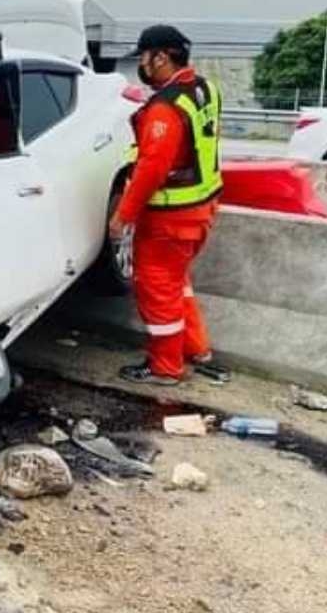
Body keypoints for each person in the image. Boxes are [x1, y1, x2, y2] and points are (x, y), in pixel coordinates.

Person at [108, 24, 228, 386]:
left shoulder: (164, 108)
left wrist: (122, 216)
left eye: (143, 57)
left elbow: (152, 168)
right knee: (176, 284)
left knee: (157, 288)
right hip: (201, 209)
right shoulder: (204, 90)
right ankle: (196, 349)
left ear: (161, 56)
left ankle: (165, 368)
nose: (141, 65)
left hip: (169, 218)